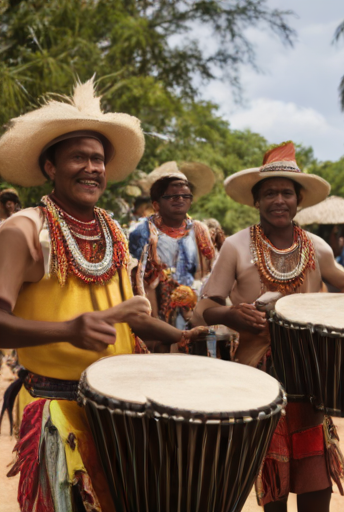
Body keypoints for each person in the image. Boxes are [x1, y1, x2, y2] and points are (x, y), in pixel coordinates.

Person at [0, 78, 204, 511]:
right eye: (78, 157)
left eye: (98, 159)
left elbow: (128, 317)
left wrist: (178, 335)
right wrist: (67, 328)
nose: (91, 167)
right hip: (57, 408)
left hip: (120, 410)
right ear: (50, 166)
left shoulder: (112, 230)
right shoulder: (24, 230)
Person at [193, 141, 344, 512]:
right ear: (256, 201)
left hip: (311, 379)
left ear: (299, 200)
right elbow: (204, 307)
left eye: (286, 193)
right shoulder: (237, 247)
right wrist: (232, 314)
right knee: (273, 486)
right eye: (269, 193)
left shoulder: (318, 247)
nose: (279, 200)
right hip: (258, 378)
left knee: (316, 485)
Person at [129, 161, 216, 332]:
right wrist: (152, 322)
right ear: (157, 203)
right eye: (171, 195)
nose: (180, 199)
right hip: (157, 313)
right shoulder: (142, 232)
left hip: (194, 311)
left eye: (184, 195)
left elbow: (210, 269)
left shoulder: (198, 229)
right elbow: (139, 280)